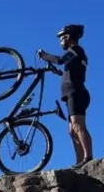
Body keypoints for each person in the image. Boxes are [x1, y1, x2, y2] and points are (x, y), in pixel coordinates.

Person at [37, 24, 94, 167]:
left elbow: (60, 60)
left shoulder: (75, 50)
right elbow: (69, 71)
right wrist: (56, 71)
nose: (60, 41)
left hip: (76, 93)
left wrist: (45, 56)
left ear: (68, 37)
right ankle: (80, 161)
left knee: (78, 126)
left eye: (62, 37)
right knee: (72, 130)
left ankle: (88, 158)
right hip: (73, 93)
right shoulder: (76, 54)